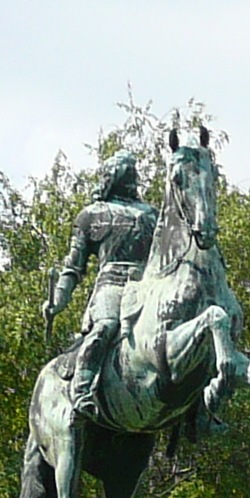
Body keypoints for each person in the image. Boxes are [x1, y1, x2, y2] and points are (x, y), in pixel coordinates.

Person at [46, 151, 159, 418]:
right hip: (111, 284)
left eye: (133, 172)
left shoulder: (152, 215)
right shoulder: (91, 215)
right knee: (106, 326)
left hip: (148, 285)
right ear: (111, 177)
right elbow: (73, 267)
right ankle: (82, 390)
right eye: (125, 171)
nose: (131, 177)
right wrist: (58, 300)